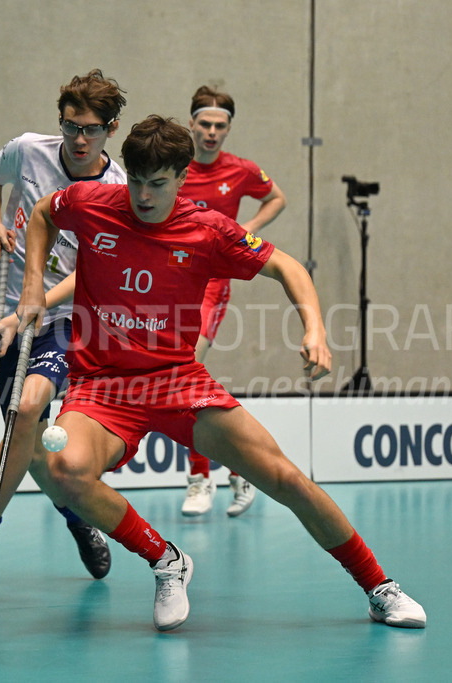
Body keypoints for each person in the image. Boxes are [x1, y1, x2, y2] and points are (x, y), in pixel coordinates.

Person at [15, 115, 426, 632]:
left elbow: (288, 268)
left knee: (285, 478)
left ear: (182, 177)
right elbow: (43, 213)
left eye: (158, 183)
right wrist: (33, 285)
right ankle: (167, 560)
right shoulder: (93, 203)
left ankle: (379, 587)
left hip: (176, 380)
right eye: (137, 180)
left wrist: (315, 329)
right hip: (102, 386)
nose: (143, 195)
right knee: (65, 473)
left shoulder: (208, 230)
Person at [0, 69, 127, 589]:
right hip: (7, 311)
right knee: (33, 443)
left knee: (24, 411)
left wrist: (33, 307)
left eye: (91, 129)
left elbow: (92, 275)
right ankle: (80, 520)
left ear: (111, 128)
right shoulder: (28, 150)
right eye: (70, 127)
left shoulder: (118, 193)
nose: (79, 139)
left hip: (66, 319)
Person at [177, 85, 288, 518]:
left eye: (219, 126)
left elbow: (277, 197)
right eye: (204, 123)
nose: (211, 132)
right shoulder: (176, 167)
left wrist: (246, 231)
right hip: (169, 284)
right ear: (191, 123)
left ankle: (199, 478)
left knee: (184, 369)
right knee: (184, 376)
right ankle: (241, 469)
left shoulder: (240, 170)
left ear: (228, 129)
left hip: (212, 285)